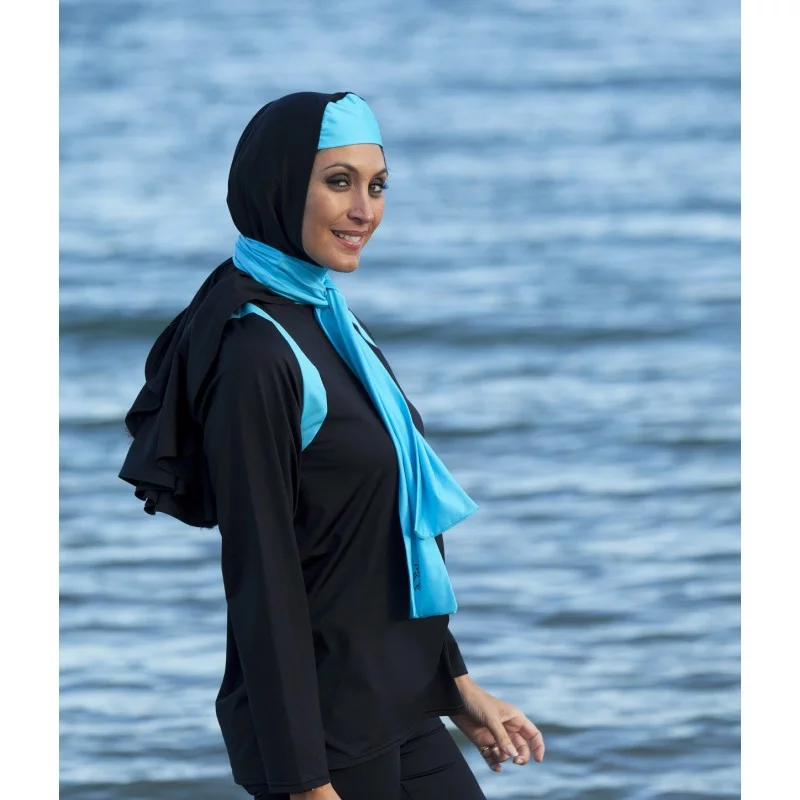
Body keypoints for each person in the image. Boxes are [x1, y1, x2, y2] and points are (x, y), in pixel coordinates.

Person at [119, 90, 545, 800]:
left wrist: (457, 684)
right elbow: (264, 576)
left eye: (377, 186)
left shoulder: (328, 318)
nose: (364, 210)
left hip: (402, 702)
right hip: (324, 735)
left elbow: (380, 538)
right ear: (278, 185)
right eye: (339, 182)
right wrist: (305, 781)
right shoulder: (256, 351)